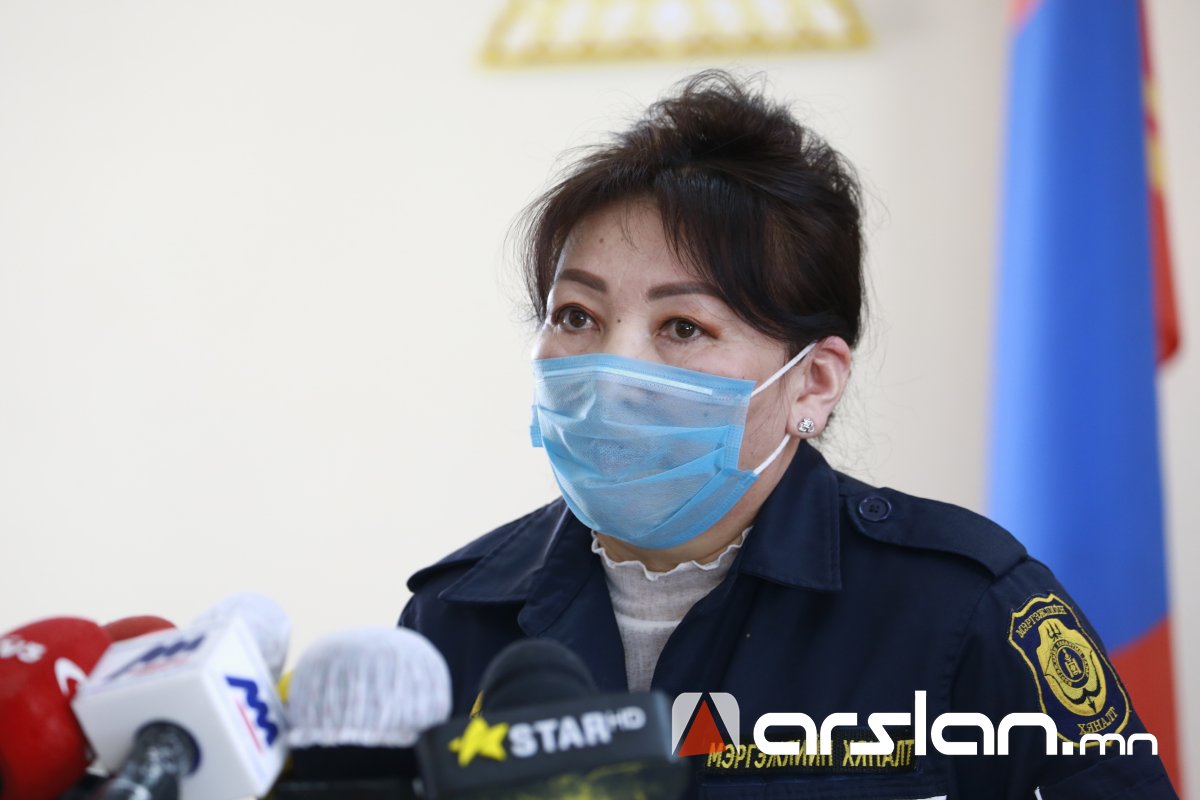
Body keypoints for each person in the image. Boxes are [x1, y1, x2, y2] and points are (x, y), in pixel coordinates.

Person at [399, 71, 1175, 798]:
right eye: (577, 315)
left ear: (814, 382)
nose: (615, 371)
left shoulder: (963, 610)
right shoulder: (454, 616)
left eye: (682, 326)